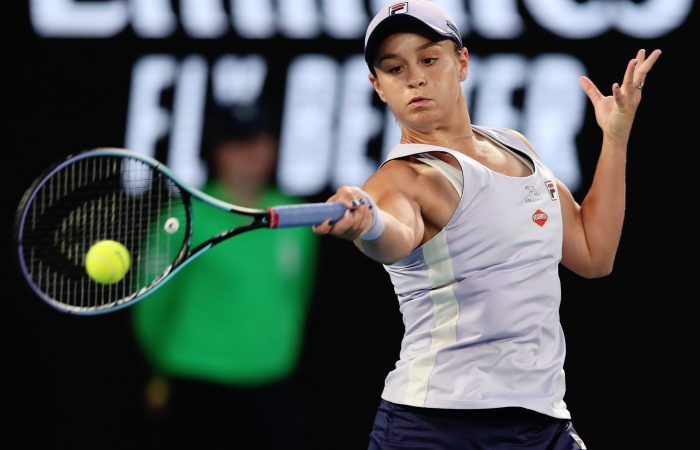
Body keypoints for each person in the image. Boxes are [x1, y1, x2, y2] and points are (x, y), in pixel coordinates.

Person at [311, 1, 662, 449]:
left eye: (429, 59)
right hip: (434, 427)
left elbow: (594, 255)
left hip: (541, 419)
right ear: (377, 86)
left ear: (462, 63)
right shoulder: (403, 178)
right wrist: (366, 225)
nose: (415, 77)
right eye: (395, 68)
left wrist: (614, 140)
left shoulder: (516, 146)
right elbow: (393, 235)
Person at [131, 100, 319, 449]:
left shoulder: (295, 217)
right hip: (197, 386)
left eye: (262, 140)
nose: (255, 152)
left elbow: (296, 296)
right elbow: (151, 305)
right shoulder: (183, 218)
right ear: (218, 151)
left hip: (272, 388)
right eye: (240, 143)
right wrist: (161, 368)